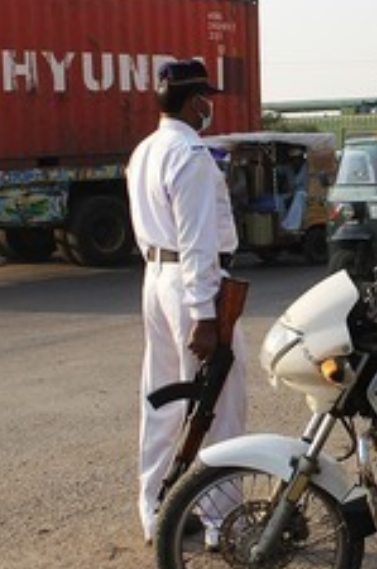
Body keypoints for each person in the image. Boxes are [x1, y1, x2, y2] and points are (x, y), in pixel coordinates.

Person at [125, 59, 247, 545]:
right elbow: (197, 241)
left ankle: (154, 509)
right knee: (220, 402)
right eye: (208, 99)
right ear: (195, 101)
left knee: (162, 399)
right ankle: (222, 522)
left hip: (156, 278)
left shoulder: (145, 150)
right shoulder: (191, 154)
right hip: (192, 284)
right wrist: (203, 315)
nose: (210, 107)